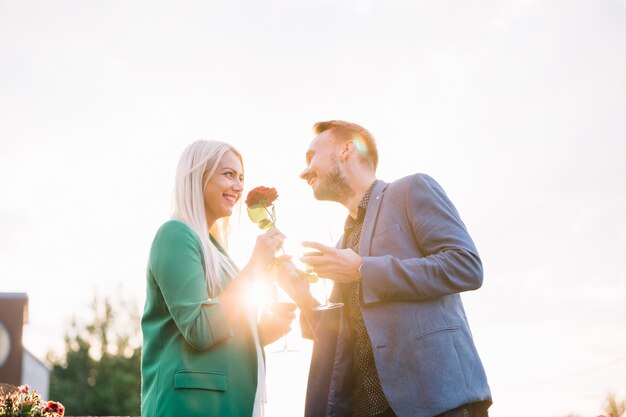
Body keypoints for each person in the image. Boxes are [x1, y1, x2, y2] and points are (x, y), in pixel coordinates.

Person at [285, 120, 492, 417]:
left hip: (439, 403)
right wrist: (300, 294)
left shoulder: (411, 189)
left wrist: (363, 270)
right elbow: (339, 336)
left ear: (346, 149)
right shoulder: (344, 241)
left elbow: (466, 266)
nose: (304, 172)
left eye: (311, 157)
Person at [141, 140, 295, 417]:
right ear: (198, 177)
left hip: (226, 403)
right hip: (189, 406)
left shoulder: (217, 250)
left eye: (241, 178)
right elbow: (200, 329)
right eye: (228, 174)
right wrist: (254, 266)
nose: (238, 186)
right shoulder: (175, 234)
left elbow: (221, 329)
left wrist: (263, 332)